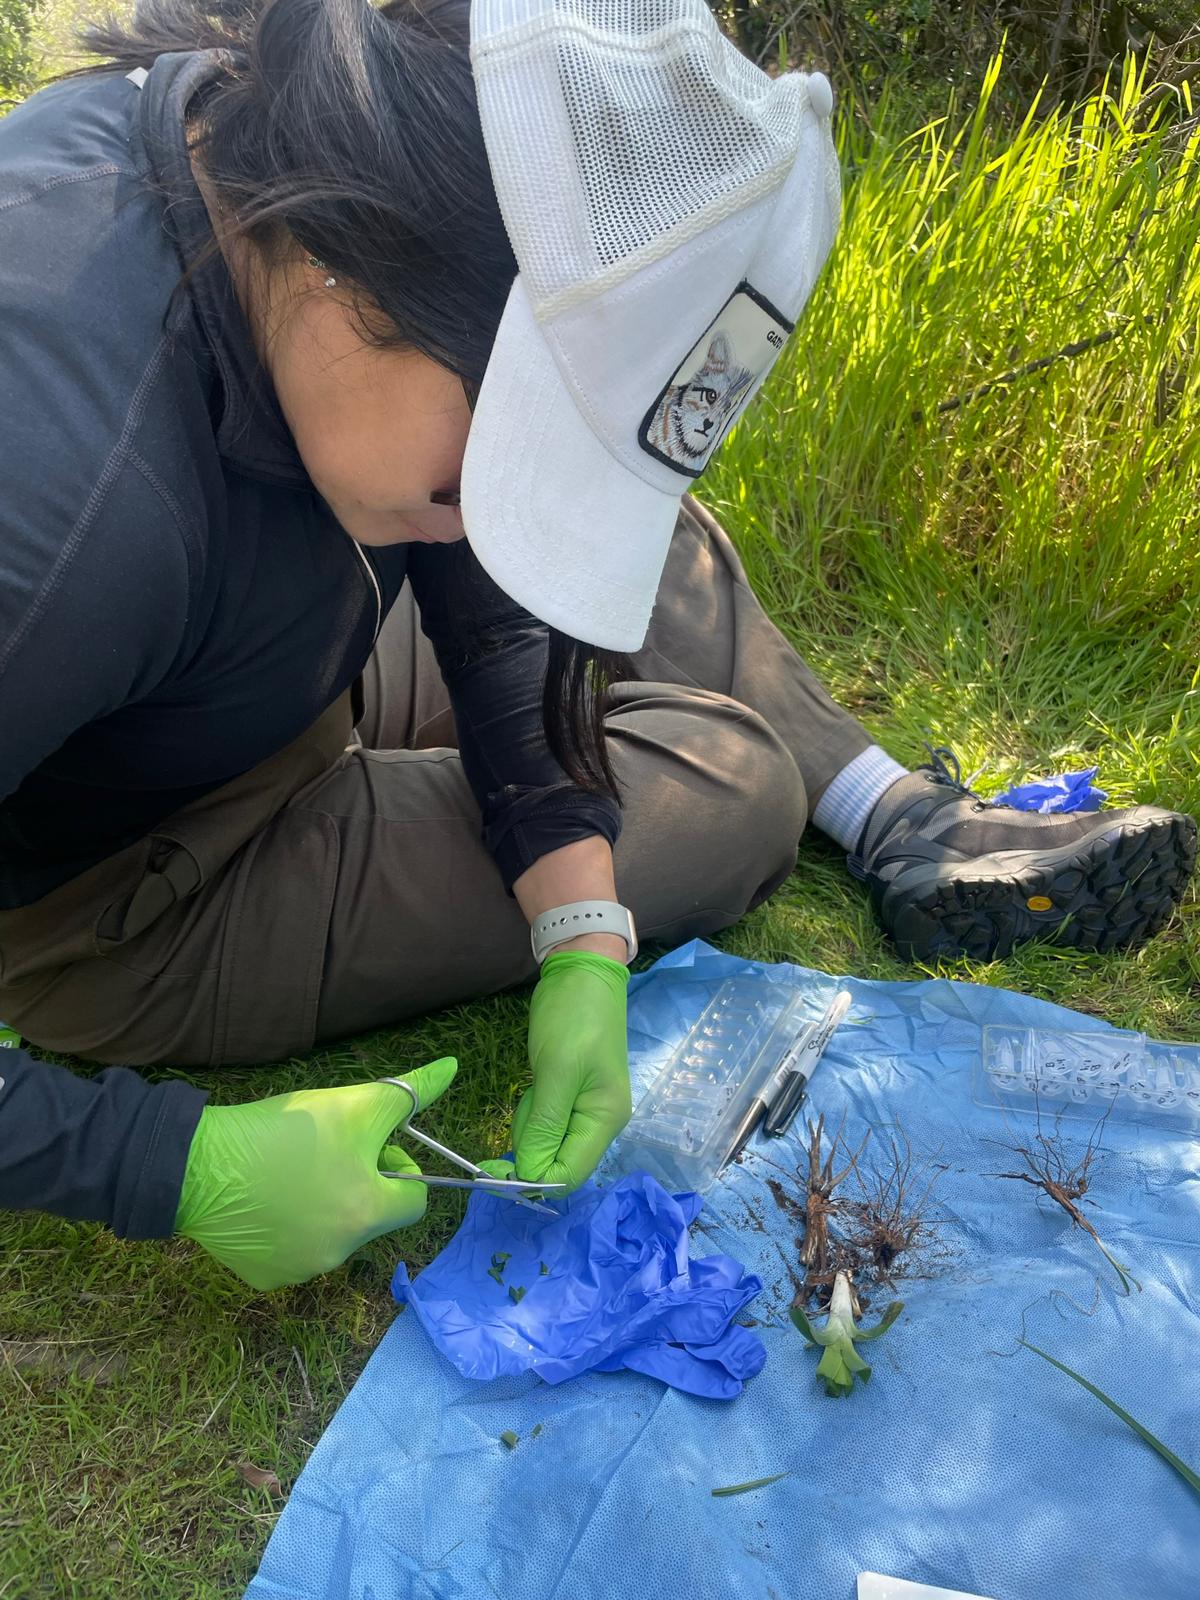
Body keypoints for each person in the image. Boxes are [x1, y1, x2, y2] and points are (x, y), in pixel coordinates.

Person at [0, 0, 1192, 1291]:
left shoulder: (289, 188)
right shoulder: (65, 507)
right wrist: (167, 1165)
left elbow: (481, 577)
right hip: (142, 882)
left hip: (266, 657)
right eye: (498, 455)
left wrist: (575, 929)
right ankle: (813, 796)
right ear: (364, 266)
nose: (487, 513)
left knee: (647, 548)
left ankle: (890, 809)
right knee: (736, 792)